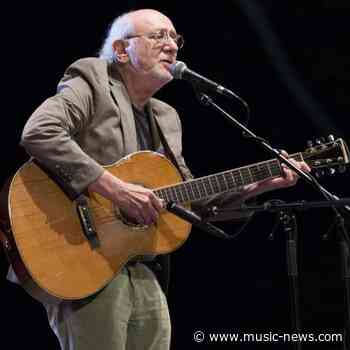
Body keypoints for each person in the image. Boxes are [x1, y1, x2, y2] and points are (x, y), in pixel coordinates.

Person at [7, 8, 310, 350]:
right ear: (121, 51)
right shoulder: (92, 79)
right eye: (158, 36)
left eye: (175, 38)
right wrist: (115, 189)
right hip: (82, 254)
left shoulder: (167, 118)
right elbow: (40, 132)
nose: (171, 46)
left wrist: (263, 183)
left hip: (142, 265)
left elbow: (192, 201)